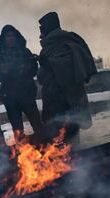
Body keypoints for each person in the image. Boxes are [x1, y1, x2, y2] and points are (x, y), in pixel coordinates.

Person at [37, 12, 96, 144]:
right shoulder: (47, 48)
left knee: (71, 136)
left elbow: (69, 68)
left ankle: (76, 161)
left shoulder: (67, 42)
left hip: (68, 99)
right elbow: (42, 77)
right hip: (52, 99)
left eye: (43, 28)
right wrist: (43, 64)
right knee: (56, 140)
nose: (41, 32)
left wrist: (49, 63)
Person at [0, 25, 44, 143]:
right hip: (10, 98)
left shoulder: (25, 52)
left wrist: (30, 65)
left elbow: (32, 71)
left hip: (27, 95)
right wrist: (2, 71)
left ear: (17, 37)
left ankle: (44, 148)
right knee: (18, 130)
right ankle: (23, 154)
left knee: (38, 125)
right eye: (8, 36)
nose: (11, 38)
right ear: (3, 39)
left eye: (13, 35)